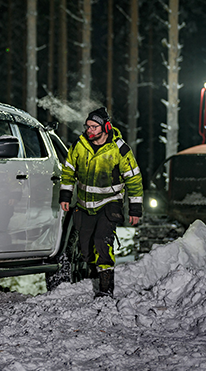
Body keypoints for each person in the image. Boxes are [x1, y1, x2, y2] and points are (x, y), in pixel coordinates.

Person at [59, 107, 143, 298]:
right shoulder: (79, 145)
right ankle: (92, 273)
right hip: (84, 205)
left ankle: (106, 288)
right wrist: (65, 196)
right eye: (87, 126)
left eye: (93, 127)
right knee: (86, 248)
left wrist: (135, 208)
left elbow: (134, 178)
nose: (89, 130)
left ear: (105, 127)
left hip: (109, 203)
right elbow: (68, 171)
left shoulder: (119, 149)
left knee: (102, 243)